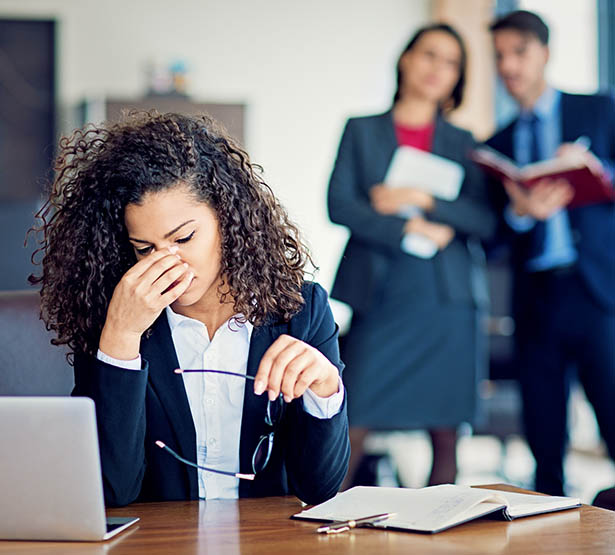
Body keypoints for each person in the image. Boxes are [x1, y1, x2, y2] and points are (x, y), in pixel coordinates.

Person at [30, 111, 350, 507]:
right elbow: (113, 491)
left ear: (228, 217)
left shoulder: (301, 309)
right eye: (144, 249)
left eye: (183, 238)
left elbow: (319, 489)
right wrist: (121, 339)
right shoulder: (112, 316)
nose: (167, 263)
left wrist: (324, 389)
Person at [328, 24, 495, 488]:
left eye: (450, 62)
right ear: (405, 59)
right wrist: (406, 228)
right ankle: (328, 525)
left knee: (445, 433)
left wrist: (423, 200)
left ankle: (440, 532)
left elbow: (484, 220)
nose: (437, 68)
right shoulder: (361, 130)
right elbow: (339, 204)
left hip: (447, 300)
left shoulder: (465, 142)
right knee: (353, 417)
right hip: (382, 293)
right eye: (429, 55)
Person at [486, 10, 615, 496]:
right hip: (537, 299)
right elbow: (492, 238)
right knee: (544, 438)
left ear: (545, 52)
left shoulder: (598, 111)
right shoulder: (497, 143)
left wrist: (596, 169)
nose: (509, 66)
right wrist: (520, 213)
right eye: (500, 56)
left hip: (598, 293)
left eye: (519, 52)